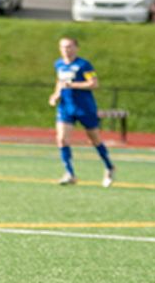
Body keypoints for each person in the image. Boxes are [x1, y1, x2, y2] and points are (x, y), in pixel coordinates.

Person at [47, 37, 114, 186]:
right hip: (66, 107)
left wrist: (73, 85)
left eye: (69, 47)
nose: (66, 50)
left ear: (76, 48)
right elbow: (60, 82)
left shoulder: (84, 65)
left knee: (94, 140)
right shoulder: (58, 64)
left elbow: (94, 83)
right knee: (61, 139)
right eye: (63, 47)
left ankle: (109, 167)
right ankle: (70, 173)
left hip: (84, 107)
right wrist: (56, 95)